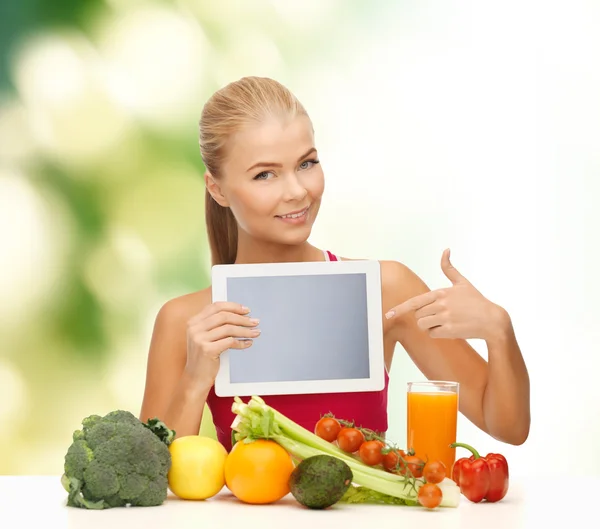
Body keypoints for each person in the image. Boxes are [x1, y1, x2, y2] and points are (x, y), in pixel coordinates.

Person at [139, 76, 530, 452]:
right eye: (265, 174)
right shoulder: (187, 322)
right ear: (217, 189)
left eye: (306, 164)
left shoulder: (385, 290)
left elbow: (508, 427)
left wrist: (499, 329)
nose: (297, 191)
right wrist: (194, 380)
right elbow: (148, 476)